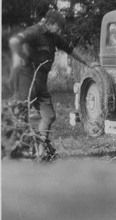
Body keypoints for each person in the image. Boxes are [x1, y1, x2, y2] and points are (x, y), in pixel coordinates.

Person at [8, 10, 99, 157]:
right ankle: (15, 152)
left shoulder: (54, 36)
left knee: (49, 115)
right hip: (27, 79)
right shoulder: (35, 31)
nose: (60, 30)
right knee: (20, 116)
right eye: (58, 27)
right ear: (49, 23)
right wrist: (21, 58)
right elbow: (14, 41)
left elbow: (71, 49)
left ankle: (40, 147)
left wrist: (88, 62)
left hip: (42, 81)